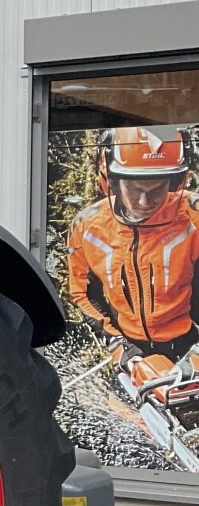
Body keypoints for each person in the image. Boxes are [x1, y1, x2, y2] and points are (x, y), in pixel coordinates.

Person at [65, 126, 199, 377]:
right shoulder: (88, 227)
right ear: (112, 182)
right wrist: (118, 345)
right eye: (135, 190)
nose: (145, 202)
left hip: (189, 341)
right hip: (131, 349)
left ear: (175, 182)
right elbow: (83, 295)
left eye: (156, 189)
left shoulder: (193, 217)